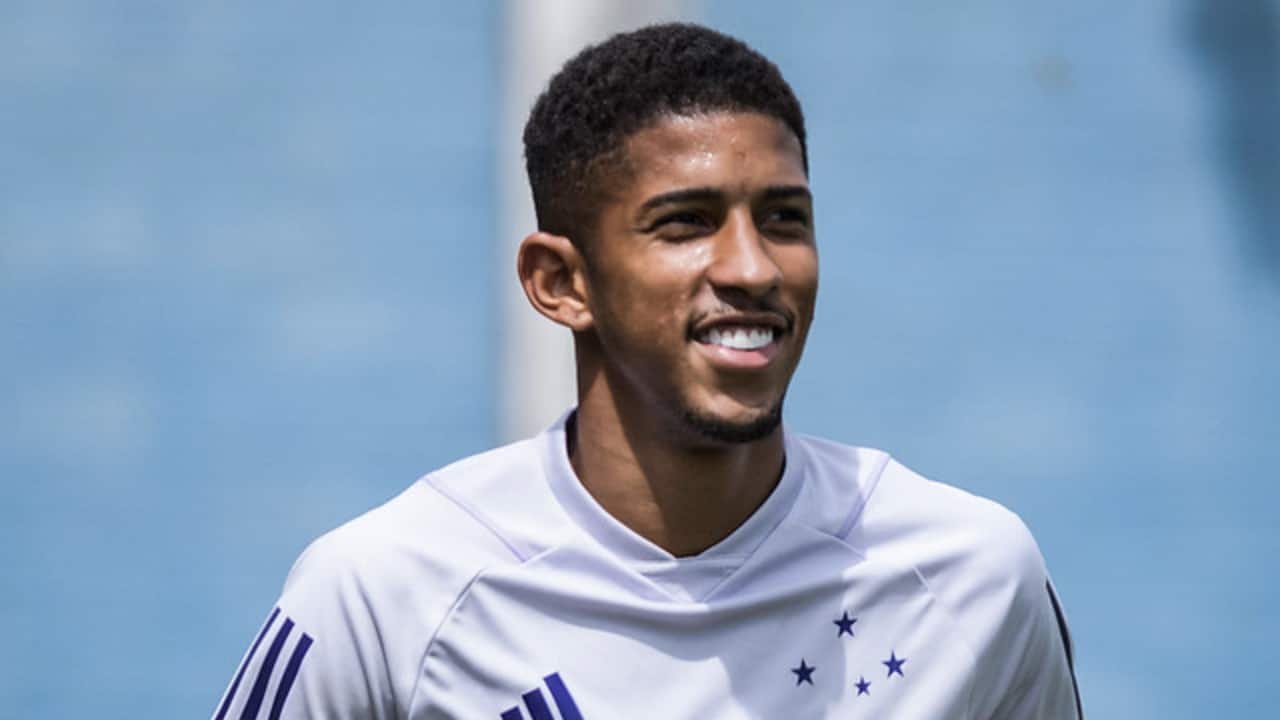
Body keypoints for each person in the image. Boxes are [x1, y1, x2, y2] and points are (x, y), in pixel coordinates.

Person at [212, 23, 1082, 719]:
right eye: (685, 223)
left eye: (784, 218)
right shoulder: (386, 591)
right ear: (562, 283)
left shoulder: (968, 575)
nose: (753, 267)